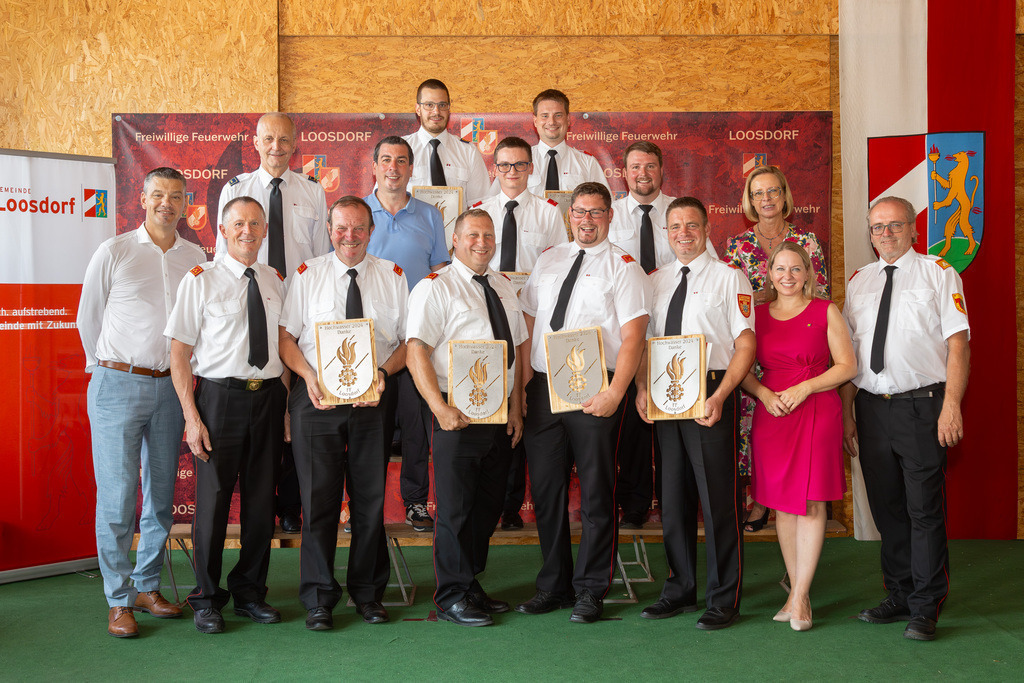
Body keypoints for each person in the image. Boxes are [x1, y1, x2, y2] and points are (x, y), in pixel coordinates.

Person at [78, 167, 206, 638]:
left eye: (175, 196)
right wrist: (111, 369)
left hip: (172, 388)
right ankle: (118, 599)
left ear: (184, 202)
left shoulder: (195, 256)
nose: (166, 204)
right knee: (116, 499)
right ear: (142, 198)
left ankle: (147, 587)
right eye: (158, 195)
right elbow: (87, 318)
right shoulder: (115, 251)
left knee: (160, 499)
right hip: (116, 383)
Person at [517, 182, 649, 624]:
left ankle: (591, 589)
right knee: (548, 491)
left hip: (598, 385)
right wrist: (522, 388)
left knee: (596, 492)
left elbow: (634, 337)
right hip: (543, 387)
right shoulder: (548, 259)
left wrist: (616, 392)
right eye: (580, 212)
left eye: (596, 212)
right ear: (569, 215)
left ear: (610, 217)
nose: (586, 220)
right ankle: (553, 584)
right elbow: (530, 322)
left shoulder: (625, 267)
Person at [841, 196, 970, 642]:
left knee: (923, 508)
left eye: (895, 225)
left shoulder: (938, 272)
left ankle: (925, 605)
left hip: (923, 406)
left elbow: (958, 345)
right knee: (887, 509)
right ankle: (898, 594)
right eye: (877, 227)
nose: (886, 234)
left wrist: (951, 405)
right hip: (872, 408)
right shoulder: (860, 281)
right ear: (869, 233)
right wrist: (846, 413)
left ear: (914, 229)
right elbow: (850, 356)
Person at [279, 196, 409, 631]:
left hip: (374, 401)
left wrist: (383, 373)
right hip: (316, 401)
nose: (349, 237)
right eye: (341, 228)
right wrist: (307, 376)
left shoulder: (393, 276)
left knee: (371, 500)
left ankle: (368, 594)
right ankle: (319, 597)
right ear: (329, 229)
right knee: (319, 501)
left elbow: (410, 343)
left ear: (371, 231)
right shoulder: (307, 276)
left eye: (358, 228)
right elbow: (285, 339)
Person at [167, 196, 288, 634]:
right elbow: (179, 352)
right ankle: (206, 597)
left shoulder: (275, 279)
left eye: (255, 224)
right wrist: (191, 417)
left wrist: (287, 407)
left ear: (266, 230)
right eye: (238, 223)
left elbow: (282, 347)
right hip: (219, 399)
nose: (247, 231)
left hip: (269, 399)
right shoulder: (200, 279)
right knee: (214, 503)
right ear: (222, 228)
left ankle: (250, 592)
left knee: (261, 503)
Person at [635, 197, 754, 631]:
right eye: (675, 226)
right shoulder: (654, 281)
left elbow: (745, 346)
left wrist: (721, 395)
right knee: (673, 497)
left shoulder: (730, 277)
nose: (683, 232)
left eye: (691, 224)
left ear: (706, 228)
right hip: (665, 392)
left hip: (709, 390)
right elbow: (645, 342)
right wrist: (643, 387)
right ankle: (680, 587)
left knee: (718, 500)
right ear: (666, 233)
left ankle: (724, 597)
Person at [405, 209, 528, 627]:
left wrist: (515, 405)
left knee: (486, 506)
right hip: (454, 411)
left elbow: (517, 350)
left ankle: (470, 580)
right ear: (454, 240)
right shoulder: (434, 287)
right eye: (472, 235)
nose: (482, 242)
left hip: (498, 412)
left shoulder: (504, 286)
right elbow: (416, 349)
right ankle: (451, 595)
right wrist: (439, 410)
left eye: (488, 235)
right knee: (455, 509)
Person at [217, 112, 332, 533]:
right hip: (255, 303)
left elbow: (321, 257)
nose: (276, 147)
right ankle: (262, 506)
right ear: (256, 141)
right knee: (266, 404)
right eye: (269, 139)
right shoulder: (236, 190)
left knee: (298, 404)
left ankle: (291, 503)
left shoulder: (313, 191)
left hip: (299, 309)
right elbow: (220, 256)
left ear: (295, 142)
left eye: (284, 139)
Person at [739, 242, 856, 631]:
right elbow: (742, 367)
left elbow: (847, 366)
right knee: (783, 506)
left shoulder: (826, 311)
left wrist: (807, 387)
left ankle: (801, 596)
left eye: (795, 269)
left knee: (810, 502)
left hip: (816, 411)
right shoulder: (755, 316)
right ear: (768, 274)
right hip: (772, 414)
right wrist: (763, 394)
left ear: (808, 273)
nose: (787, 276)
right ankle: (794, 592)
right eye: (779, 269)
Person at [724, 165, 828, 533]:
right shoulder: (737, 246)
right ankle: (759, 500)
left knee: (797, 431)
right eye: (757, 193)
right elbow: (728, 303)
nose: (766, 199)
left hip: (796, 345)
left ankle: (800, 497)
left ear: (785, 195)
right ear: (749, 201)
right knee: (752, 427)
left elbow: (821, 296)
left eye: (772, 191)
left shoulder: (808, 241)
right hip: (753, 345)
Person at [473, 135, 566, 530]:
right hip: (488, 317)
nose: (512, 173)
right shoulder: (479, 212)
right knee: (494, 405)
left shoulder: (548, 213)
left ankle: (513, 507)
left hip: (532, 320)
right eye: (505, 166)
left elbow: (560, 267)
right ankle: (494, 505)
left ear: (532, 168)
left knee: (524, 405)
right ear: (494, 169)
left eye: (520, 165)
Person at [365, 135, 449, 532]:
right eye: (386, 160)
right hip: (370, 340)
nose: (393, 168)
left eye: (401, 161)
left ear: (411, 169)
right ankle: (366, 506)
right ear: (374, 167)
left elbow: (441, 274)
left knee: (416, 427)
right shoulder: (356, 212)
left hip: (417, 337)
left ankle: (416, 503)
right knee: (370, 429)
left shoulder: (430, 215)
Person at [403, 78, 490, 209]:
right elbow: (385, 199)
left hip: (456, 229)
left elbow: (481, 205)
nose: (436, 111)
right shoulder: (400, 150)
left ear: (449, 108)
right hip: (412, 229)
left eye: (442, 105)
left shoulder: (468, 152)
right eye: (429, 105)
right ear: (418, 109)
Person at [524, 89, 610, 195]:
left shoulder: (587, 163)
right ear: (535, 121)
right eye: (545, 116)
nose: (551, 122)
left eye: (558, 115)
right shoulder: (520, 161)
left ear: (568, 120)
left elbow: (605, 205)